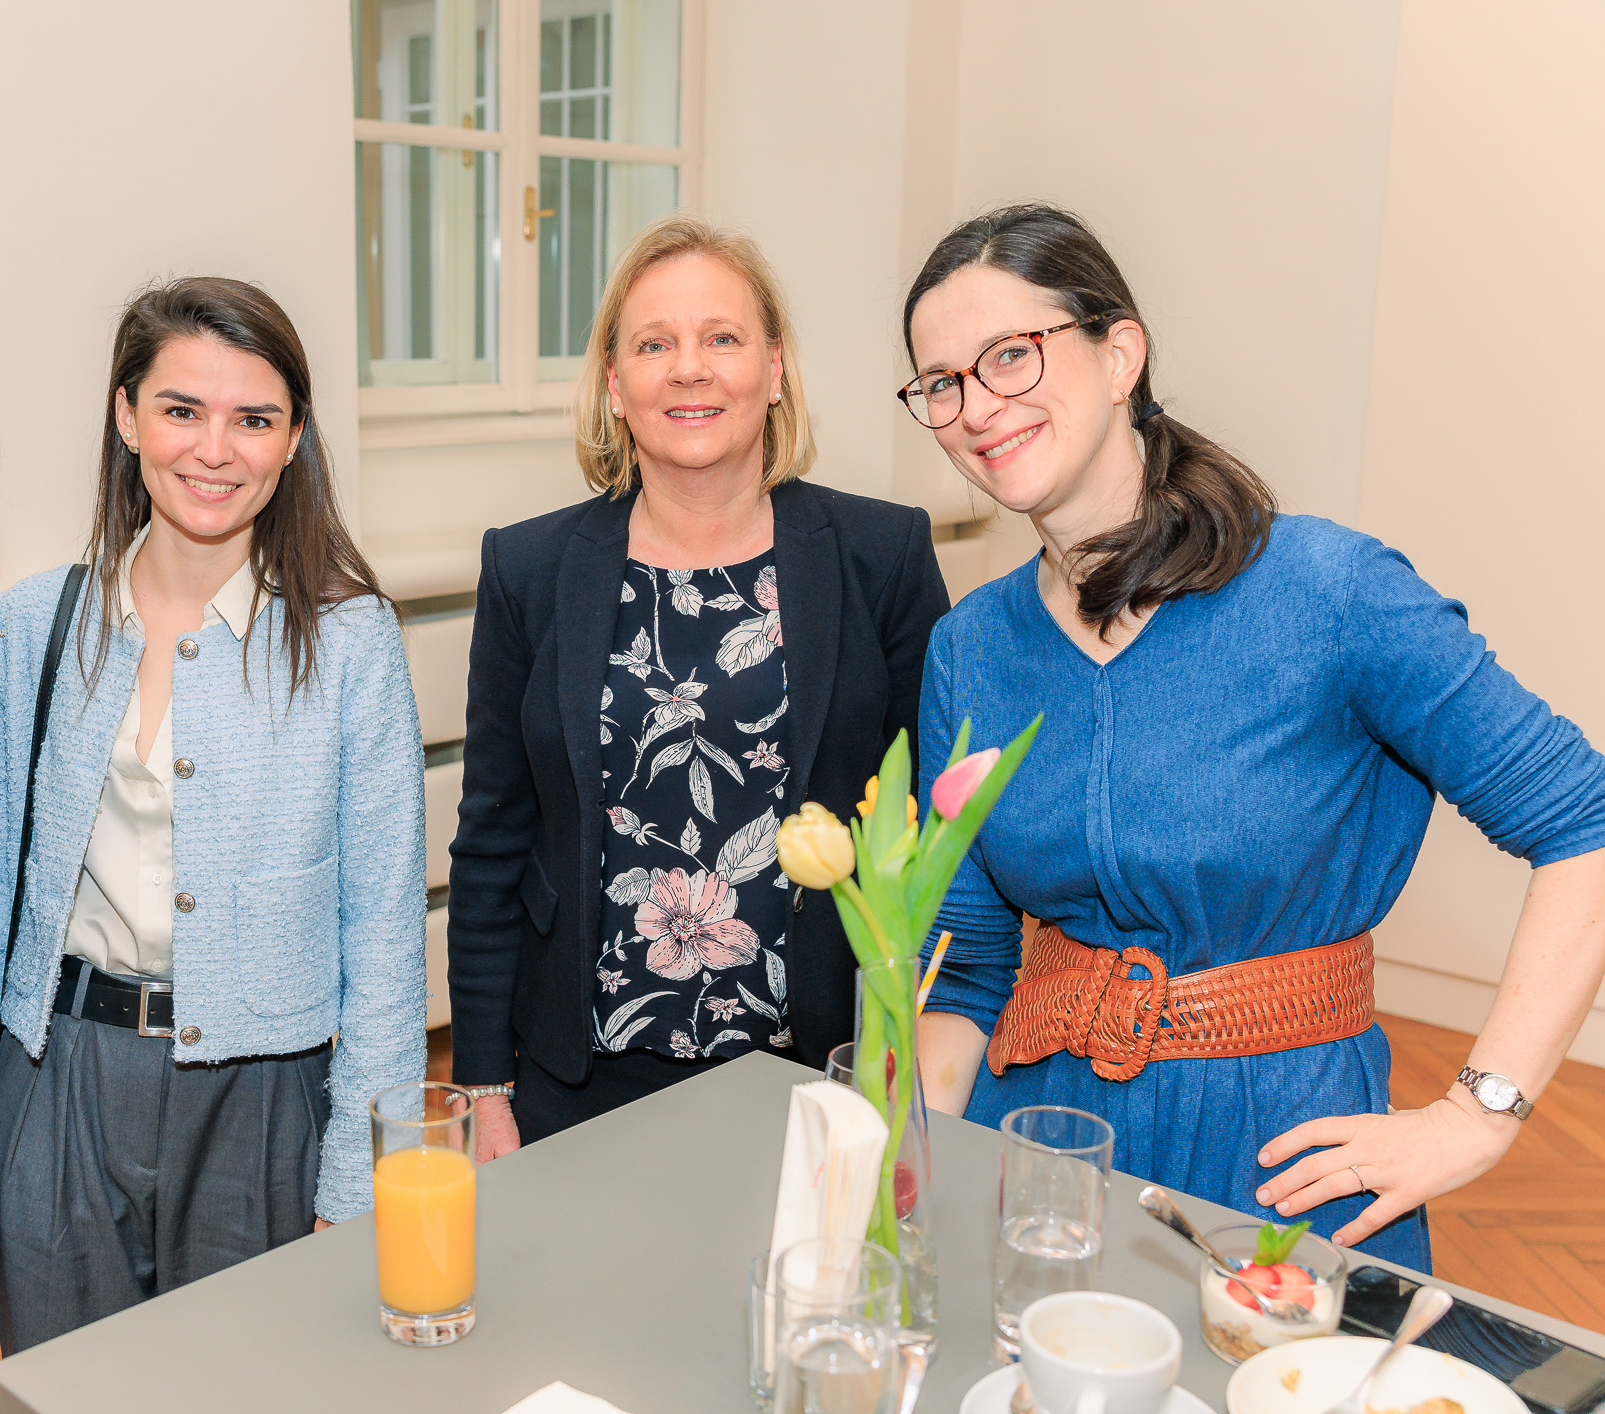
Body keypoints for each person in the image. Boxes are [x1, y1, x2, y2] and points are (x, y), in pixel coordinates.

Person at [904, 204, 1605, 1267]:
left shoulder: (1330, 591)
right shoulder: (970, 648)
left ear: (1120, 355)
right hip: (1040, 1152)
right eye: (942, 382)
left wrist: (1477, 1113)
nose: (977, 407)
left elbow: (1582, 820)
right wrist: (903, 1175)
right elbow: (964, 972)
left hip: (1280, 1158)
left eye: (1011, 354)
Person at [0, 276, 425, 1353]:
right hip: (60, 1076)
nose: (214, 450)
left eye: (254, 419)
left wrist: (364, 1173)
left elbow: (384, 929)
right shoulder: (34, 625)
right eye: (181, 409)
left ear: (294, 439)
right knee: (67, 1386)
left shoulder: (350, 641)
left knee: (250, 1378)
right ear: (127, 417)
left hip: (263, 1091)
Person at [447, 215, 951, 1160]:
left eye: (721, 338)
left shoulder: (882, 556)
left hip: (817, 1074)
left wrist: (911, 1067)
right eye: (653, 344)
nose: (689, 369)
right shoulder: (528, 568)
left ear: (774, 369)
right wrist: (483, 1083)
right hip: (579, 1083)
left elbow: (931, 840)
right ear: (614, 383)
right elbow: (491, 844)